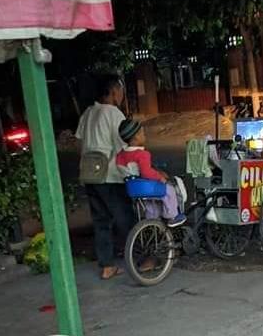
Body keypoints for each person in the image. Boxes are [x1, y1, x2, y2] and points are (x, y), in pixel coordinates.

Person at [73, 75, 134, 280]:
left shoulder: (88, 113)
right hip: (110, 176)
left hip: (90, 175)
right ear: (114, 91)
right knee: (125, 218)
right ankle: (140, 259)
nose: (122, 96)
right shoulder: (113, 114)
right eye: (121, 91)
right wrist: (134, 171)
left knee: (101, 221)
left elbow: (79, 143)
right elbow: (123, 146)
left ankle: (107, 265)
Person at [115, 119, 186, 227]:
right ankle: (172, 216)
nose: (144, 136)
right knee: (169, 190)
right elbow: (146, 173)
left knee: (150, 202)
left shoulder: (121, 154)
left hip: (132, 188)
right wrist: (160, 177)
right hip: (146, 187)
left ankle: (151, 222)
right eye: (142, 133)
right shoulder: (142, 154)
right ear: (135, 137)